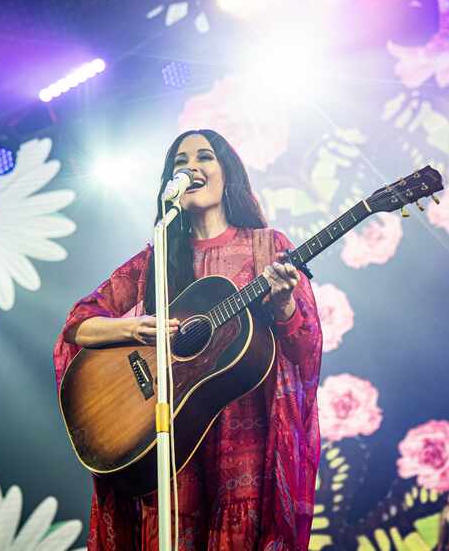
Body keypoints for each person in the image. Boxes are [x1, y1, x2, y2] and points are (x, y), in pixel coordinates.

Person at [53, 129, 323, 551]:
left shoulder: (268, 248)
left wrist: (285, 302)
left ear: (226, 172)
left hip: (243, 447)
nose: (192, 167)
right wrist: (136, 327)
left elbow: (304, 350)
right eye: (181, 162)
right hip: (171, 444)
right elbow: (79, 323)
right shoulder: (155, 258)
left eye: (205, 157)